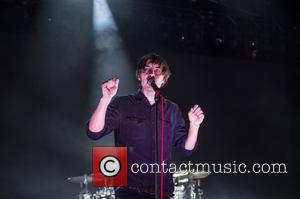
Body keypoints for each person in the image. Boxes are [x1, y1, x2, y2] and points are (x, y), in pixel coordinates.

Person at [87, 53, 205, 199]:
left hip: (163, 193)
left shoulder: (172, 110)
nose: (151, 73)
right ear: (139, 75)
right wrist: (105, 100)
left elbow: (186, 149)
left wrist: (194, 126)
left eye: (157, 70)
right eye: (147, 69)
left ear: (164, 78)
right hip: (129, 192)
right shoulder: (122, 104)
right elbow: (93, 132)